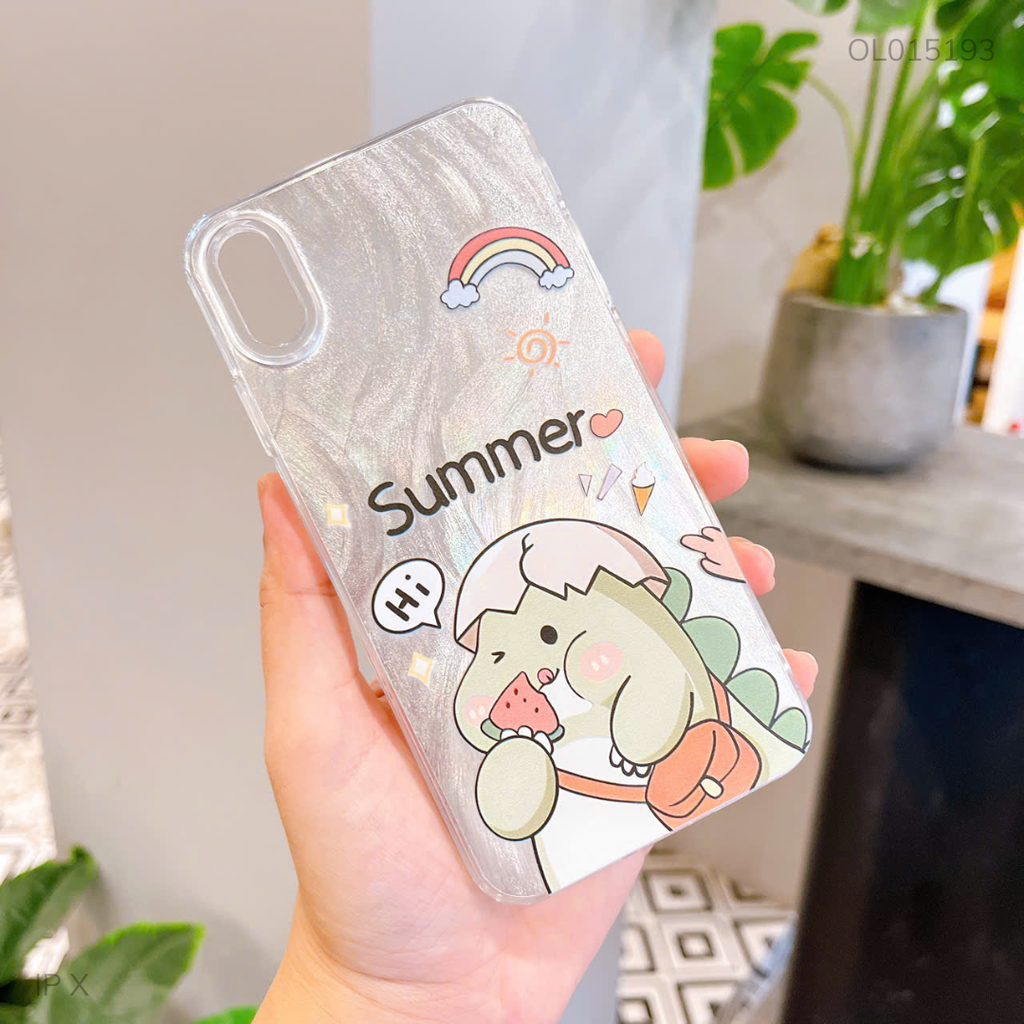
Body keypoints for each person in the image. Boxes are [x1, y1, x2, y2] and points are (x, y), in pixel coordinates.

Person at [253, 331, 818, 1023]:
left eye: (542, 639)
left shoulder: (609, 609)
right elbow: (493, 697)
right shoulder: (515, 678)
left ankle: (663, 720)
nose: (530, 677)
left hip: (685, 724)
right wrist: (385, 992)